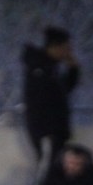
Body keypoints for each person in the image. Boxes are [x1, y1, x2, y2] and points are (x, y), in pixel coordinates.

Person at [21, 25, 80, 168]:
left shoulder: (50, 68)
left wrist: (73, 70)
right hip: (47, 132)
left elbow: (63, 91)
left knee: (53, 170)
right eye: (66, 48)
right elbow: (48, 99)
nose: (68, 52)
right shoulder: (40, 69)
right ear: (55, 47)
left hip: (54, 132)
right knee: (47, 170)